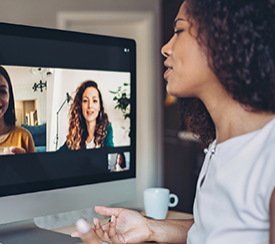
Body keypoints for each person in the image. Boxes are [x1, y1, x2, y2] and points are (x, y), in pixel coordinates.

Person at [72, 0, 275, 243]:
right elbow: (213, 229)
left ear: (223, 39)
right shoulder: (220, 146)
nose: (165, 48)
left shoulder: (269, 156)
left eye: (179, 31)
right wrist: (149, 228)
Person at [59, 80, 114, 150]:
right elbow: (57, 155)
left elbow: (111, 155)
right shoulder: (76, 133)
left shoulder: (107, 129)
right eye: (85, 101)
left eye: (94, 101)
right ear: (80, 106)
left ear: (99, 106)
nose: (90, 106)